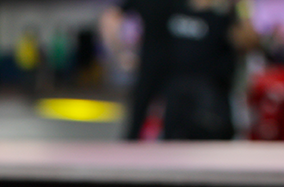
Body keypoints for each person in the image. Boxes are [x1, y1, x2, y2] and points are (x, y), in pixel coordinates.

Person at [162, 0, 259, 140]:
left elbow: (250, 43)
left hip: (212, 103)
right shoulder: (174, 9)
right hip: (177, 100)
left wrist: (242, 8)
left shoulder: (225, 14)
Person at [100, 1, 176, 140]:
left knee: (172, 116)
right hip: (155, 65)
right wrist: (119, 51)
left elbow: (111, 16)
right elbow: (111, 16)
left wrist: (118, 51)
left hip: (173, 68)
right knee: (139, 116)